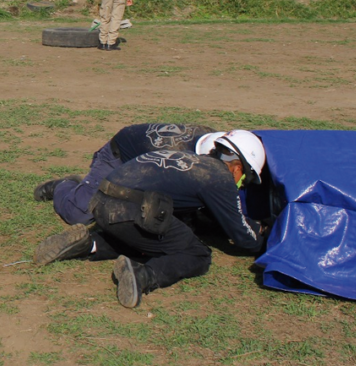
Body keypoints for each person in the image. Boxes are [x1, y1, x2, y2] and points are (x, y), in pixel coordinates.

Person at [33, 130, 268, 309]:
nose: (242, 184)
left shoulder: (185, 157)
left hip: (100, 202)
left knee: (153, 236)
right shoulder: (219, 178)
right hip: (130, 211)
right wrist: (264, 238)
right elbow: (244, 238)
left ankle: (88, 244)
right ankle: (143, 275)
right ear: (237, 167)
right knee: (197, 254)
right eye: (245, 178)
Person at [34, 123, 218, 224]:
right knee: (79, 214)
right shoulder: (188, 158)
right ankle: (65, 186)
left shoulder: (219, 145)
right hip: (119, 157)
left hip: (147, 168)